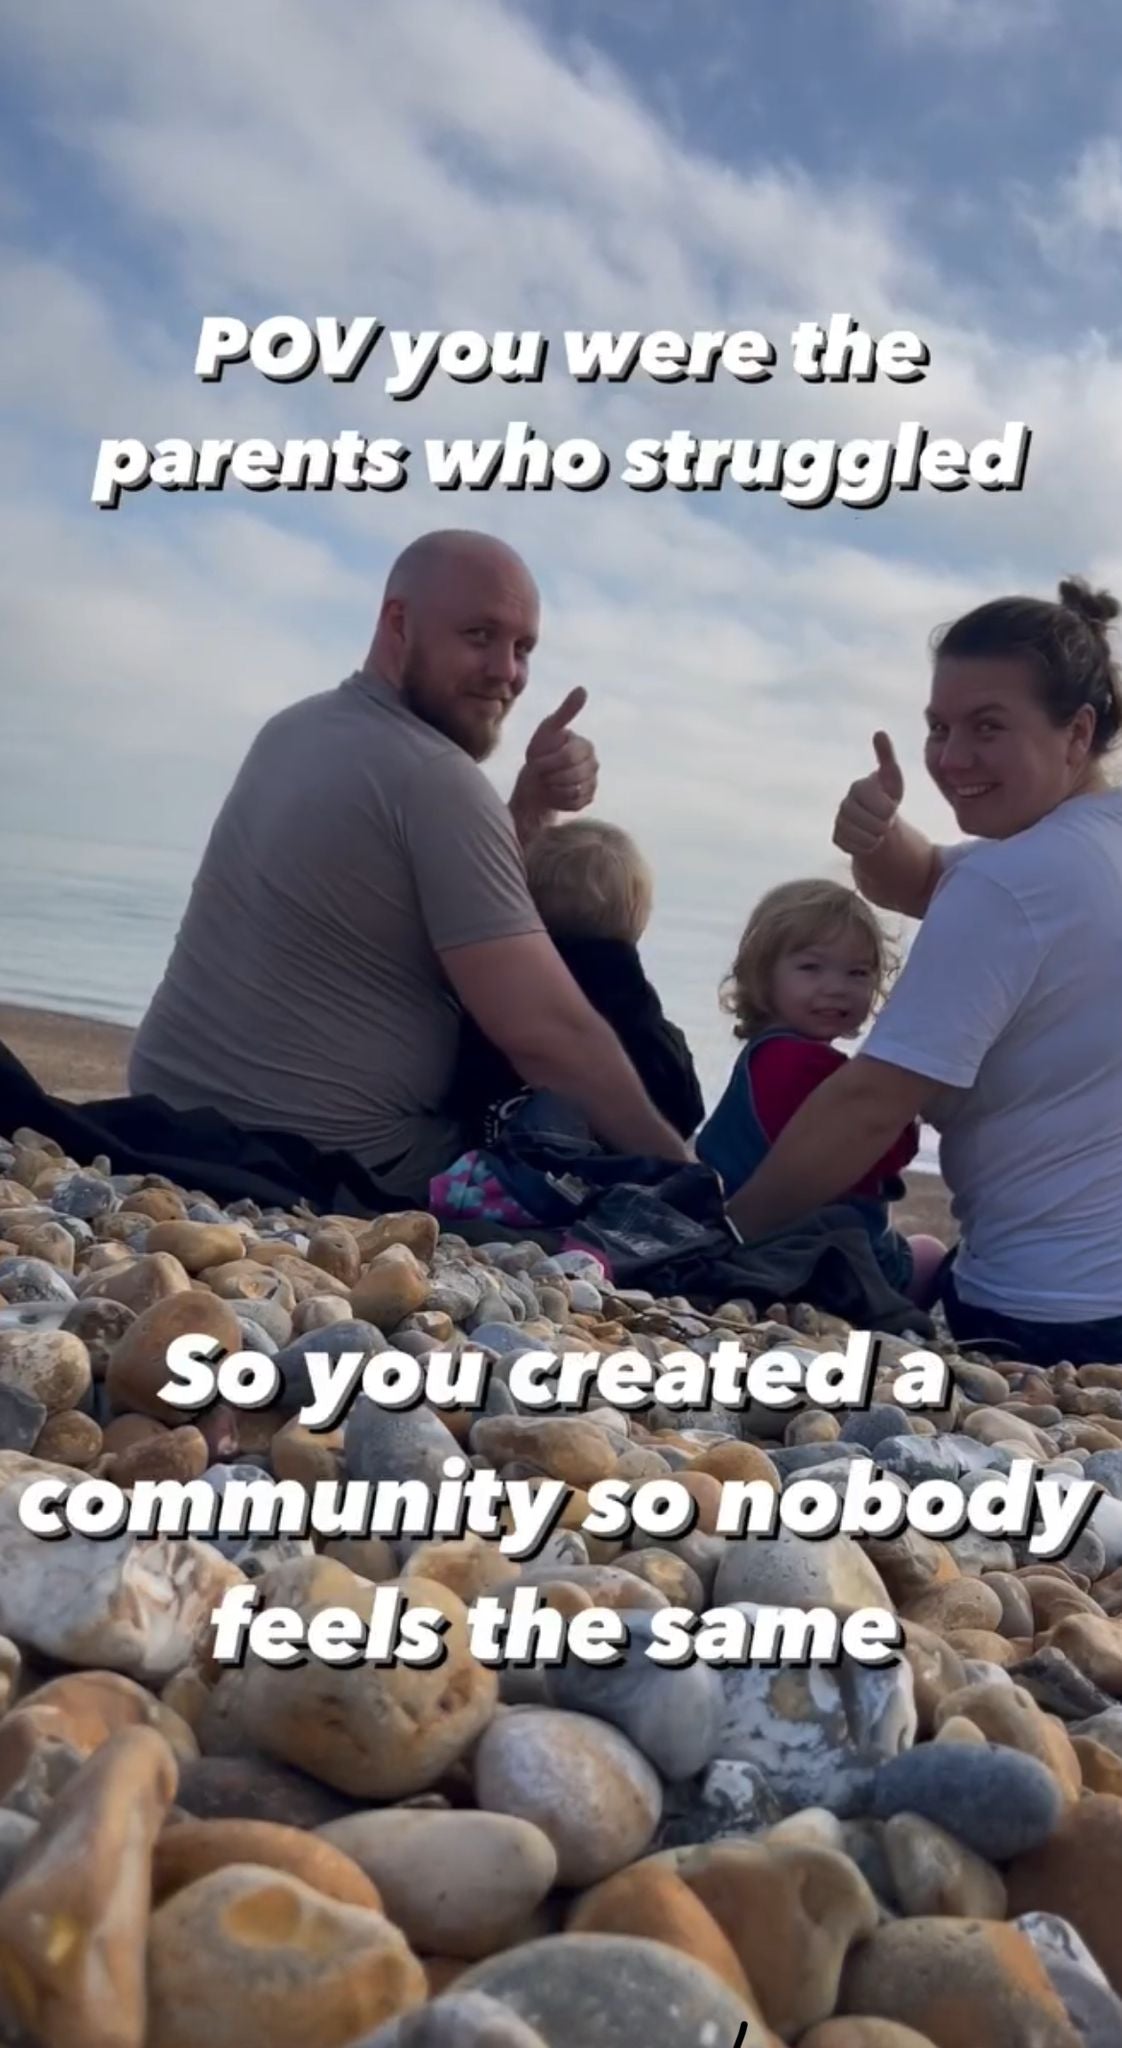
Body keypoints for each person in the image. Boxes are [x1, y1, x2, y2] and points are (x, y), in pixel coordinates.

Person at [128, 530, 689, 1200]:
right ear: (399, 622)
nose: (506, 672)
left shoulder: (295, 728)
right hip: (334, 1157)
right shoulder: (435, 778)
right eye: (480, 635)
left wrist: (530, 806)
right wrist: (686, 1178)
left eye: (523, 648)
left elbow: (443, 903)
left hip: (165, 1108)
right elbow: (547, 1034)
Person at [726, 575, 1122, 1364]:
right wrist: (877, 835)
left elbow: (870, 1105)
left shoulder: (1011, 885)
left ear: (1076, 734)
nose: (951, 757)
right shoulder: (1080, 849)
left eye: (986, 728)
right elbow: (932, 882)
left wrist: (721, 1233)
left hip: (1045, 1315)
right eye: (939, 727)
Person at [696, 878, 944, 1303]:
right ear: (761, 974)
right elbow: (878, 1149)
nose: (835, 987)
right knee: (932, 1254)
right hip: (826, 1256)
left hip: (750, 1235)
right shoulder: (803, 1066)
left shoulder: (763, 1055)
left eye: (857, 972)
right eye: (811, 968)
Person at [449, 818, 704, 1144]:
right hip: (612, 1187)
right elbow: (683, 1109)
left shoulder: (499, 995)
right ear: (638, 918)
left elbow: (459, 1093)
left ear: (524, 906)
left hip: (489, 1183)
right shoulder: (634, 1007)